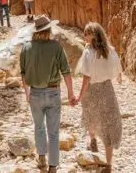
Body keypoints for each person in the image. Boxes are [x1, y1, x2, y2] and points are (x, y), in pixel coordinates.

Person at [20, 16, 76, 172]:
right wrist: (71, 94)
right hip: (53, 92)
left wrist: (27, 93)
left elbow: (23, 73)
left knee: (39, 127)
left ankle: (42, 158)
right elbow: (66, 72)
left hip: (35, 93)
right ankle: (52, 167)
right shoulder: (56, 47)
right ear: (48, 30)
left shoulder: (26, 47)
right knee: (53, 132)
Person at [74, 22, 123, 173]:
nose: (84, 36)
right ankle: (108, 164)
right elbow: (118, 68)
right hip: (107, 89)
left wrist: (79, 96)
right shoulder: (110, 50)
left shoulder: (88, 52)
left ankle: (93, 140)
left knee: (91, 116)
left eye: (87, 33)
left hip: (92, 90)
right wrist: (119, 77)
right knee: (108, 124)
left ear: (94, 35)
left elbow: (86, 77)